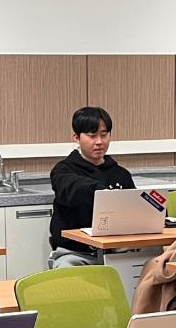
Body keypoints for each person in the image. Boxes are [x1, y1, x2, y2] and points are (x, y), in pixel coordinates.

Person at [49, 106, 135, 268]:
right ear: (76, 137)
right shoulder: (63, 170)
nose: (99, 142)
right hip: (75, 253)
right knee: (66, 269)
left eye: (104, 135)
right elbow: (73, 188)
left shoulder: (121, 174)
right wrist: (103, 192)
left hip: (116, 253)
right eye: (92, 135)